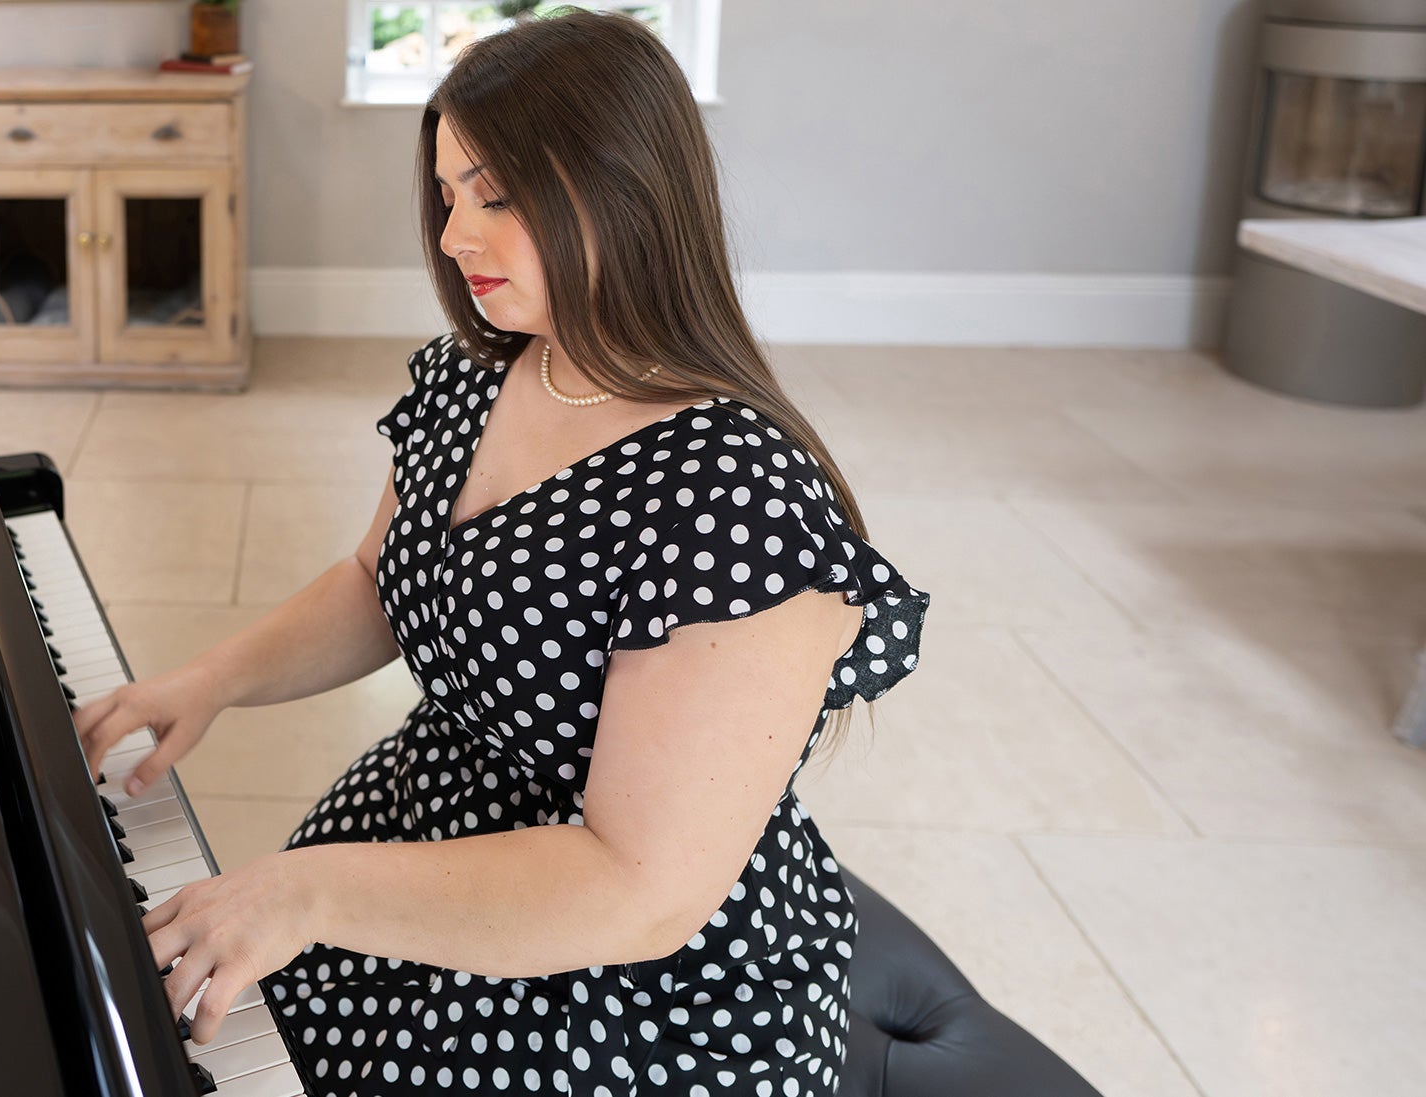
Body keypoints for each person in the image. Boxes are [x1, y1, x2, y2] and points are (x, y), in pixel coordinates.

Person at [70, 11, 930, 1095]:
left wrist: (310, 891)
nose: (451, 238)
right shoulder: (479, 369)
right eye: (446, 194)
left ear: (623, 189)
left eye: (497, 195)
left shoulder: (737, 501)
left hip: (627, 981)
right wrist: (208, 680)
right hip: (426, 829)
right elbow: (376, 583)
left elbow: (637, 886)